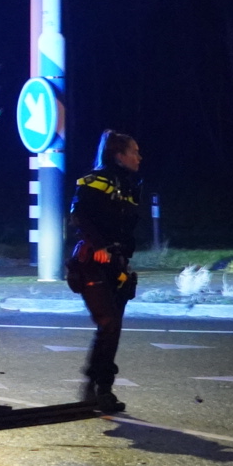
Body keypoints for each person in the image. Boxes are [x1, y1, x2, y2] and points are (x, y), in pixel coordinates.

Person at [68, 130, 143, 413]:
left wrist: (124, 258)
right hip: (93, 263)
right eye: (134, 151)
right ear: (118, 155)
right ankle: (99, 387)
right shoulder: (96, 180)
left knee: (111, 328)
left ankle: (97, 386)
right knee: (109, 321)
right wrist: (98, 245)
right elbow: (79, 214)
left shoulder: (131, 185)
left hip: (118, 265)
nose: (139, 156)